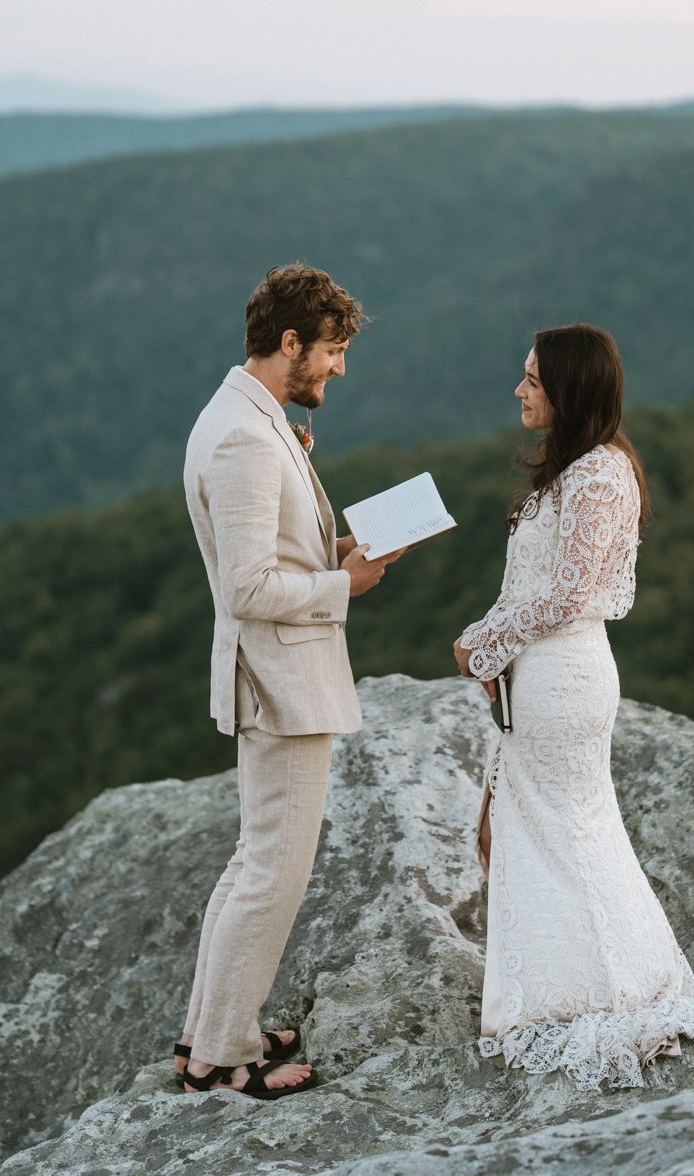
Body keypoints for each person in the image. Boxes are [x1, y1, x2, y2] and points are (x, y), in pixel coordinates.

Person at [453, 323, 694, 1088]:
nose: (521, 390)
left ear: (570, 388)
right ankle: (565, 981)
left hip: (564, 676)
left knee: (566, 826)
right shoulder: (574, 471)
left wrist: (481, 645)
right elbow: (533, 587)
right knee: (520, 825)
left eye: (533, 378)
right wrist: (492, 645)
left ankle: (605, 988)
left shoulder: (599, 474)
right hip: (540, 671)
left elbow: (565, 594)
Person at [174, 264, 402, 1099]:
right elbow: (245, 588)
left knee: (254, 862)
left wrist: (335, 557)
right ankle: (223, 1059)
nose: (340, 368)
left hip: (277, 675)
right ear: (290, 343)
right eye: (333, 351)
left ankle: (210, 1030)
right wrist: (347, 586)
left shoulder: (250, 415)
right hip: (279, 682)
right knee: (276, 871)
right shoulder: (241, 435)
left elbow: (270, 564)